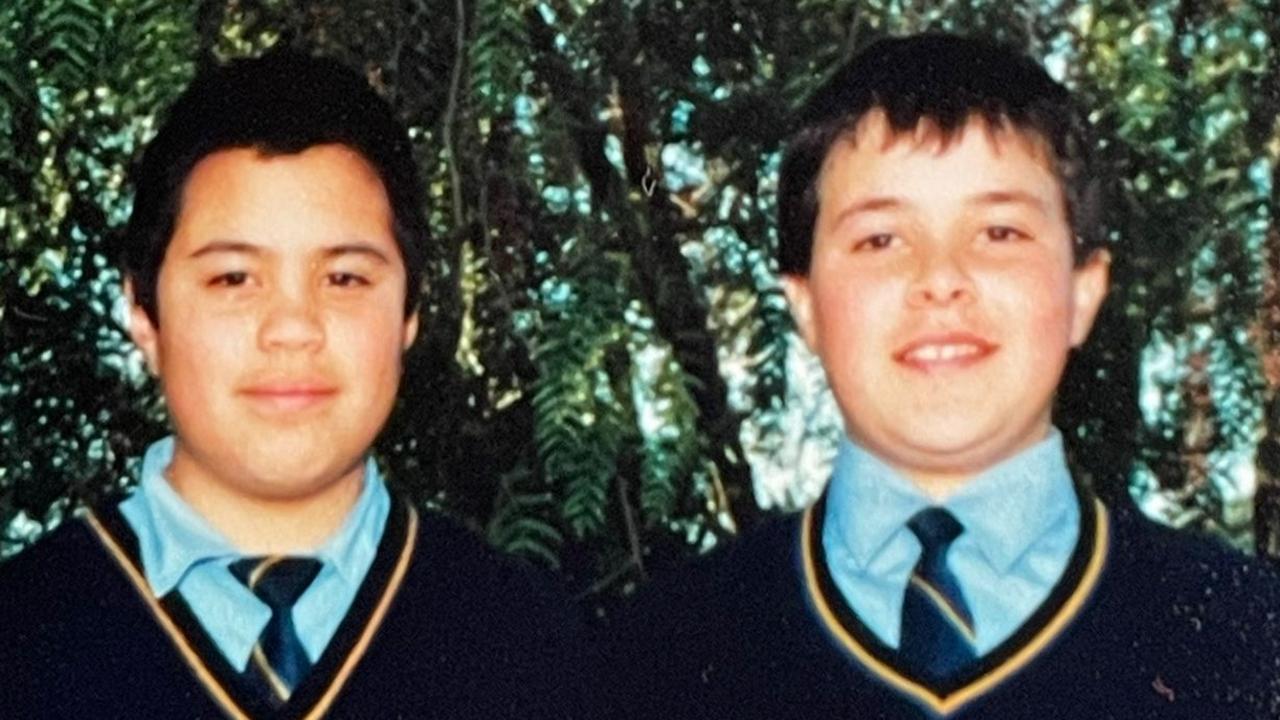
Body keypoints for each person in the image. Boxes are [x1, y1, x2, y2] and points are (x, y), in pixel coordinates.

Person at [606, 33, 1280, 719]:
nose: (940, 280)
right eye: (880, 239)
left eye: (999, 233)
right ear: (804, 307)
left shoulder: (1245, 639)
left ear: (1084, 291)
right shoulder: (654, 656)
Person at [0, 50, 586, 719]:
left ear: (410, 314)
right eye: (232, 279)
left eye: (344, 279)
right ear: (142, 312)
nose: (292, 328)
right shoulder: (23, 639)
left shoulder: (530, 647)